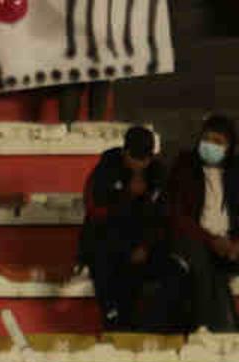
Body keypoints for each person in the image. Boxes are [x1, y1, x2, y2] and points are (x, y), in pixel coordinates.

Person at [81, 125, 165, 331]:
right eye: (135, 158)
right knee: (106, 259)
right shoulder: (107, 167)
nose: (139, 164)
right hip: (108, 238)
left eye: (145, 159)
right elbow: (96, 211)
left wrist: (145, 245)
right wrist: (127, 195)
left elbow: (163, 216)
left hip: (144, 241)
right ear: (125, 152)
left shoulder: (158, 172)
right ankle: (113, 320)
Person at [164, 114, 238, 334]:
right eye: (207, 139)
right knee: (204, 266)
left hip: (227, 242)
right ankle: (205, 329)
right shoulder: (186, 166)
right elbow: (177, 215)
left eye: (218, 142)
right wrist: (211, 240)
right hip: (195, 238)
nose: (211, 146)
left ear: (229, 147)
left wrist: (234, 243)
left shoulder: (235, 173)